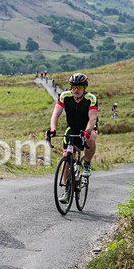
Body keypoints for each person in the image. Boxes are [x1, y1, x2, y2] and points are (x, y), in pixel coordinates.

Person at [46, 73, 99, 204]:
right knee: (67, 160)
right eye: (74, 87)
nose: (76, 90)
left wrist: (87, 131)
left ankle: (86, 164)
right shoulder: (65, 96)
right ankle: (66, 190)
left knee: (90, 139)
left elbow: (92, 118)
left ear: (84, 88)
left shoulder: (91, 98)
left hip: (87, 128)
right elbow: (55, 114)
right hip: (72, 129)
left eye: (79, 87)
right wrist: (53, 129)